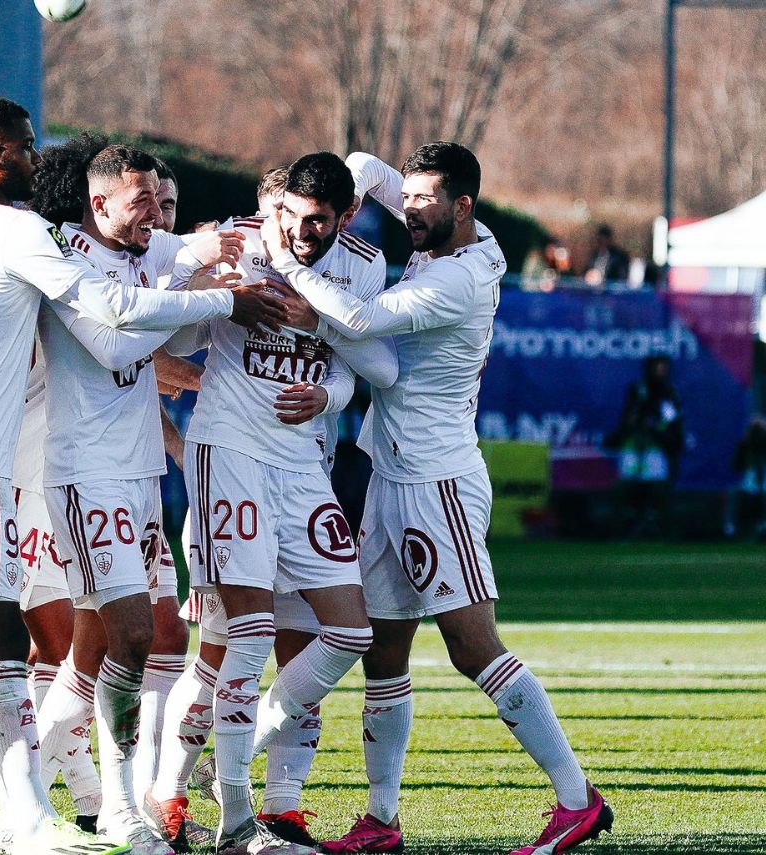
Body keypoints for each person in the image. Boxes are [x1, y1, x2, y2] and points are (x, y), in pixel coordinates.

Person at [0, 94, 281, 855]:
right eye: (145, 200)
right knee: (36, 641)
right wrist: (208, 288)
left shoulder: (2, 233)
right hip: (54, 470)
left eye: (165, 201)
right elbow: (117, 341)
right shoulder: (51, 246)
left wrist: (197, 277)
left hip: (103, 473)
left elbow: (173, 331)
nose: (158, 212)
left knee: (60, 652)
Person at [261, 142, 611, 855]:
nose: (409, 210)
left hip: (437, 483)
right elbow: (364, 162)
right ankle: (382, 819)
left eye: (425, 201)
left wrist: (290, 264)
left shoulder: (458, 280)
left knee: (471, 646)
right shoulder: (454, 231)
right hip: (390, 477)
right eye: (407, 197)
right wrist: (353, 190)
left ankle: (578, 798)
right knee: (384, 650)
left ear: (463, 207)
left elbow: (356, 325)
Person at [165, 152, 401, 855]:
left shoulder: (364, 265)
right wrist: (209, 283)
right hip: (229, 452)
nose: (299, 230)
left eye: (317, 220)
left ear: (347, 216)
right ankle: (202, 806)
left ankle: (247, 776)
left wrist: (323, 387)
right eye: (290, 216)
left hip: (303, 464)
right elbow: (169, 330)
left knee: (347, 631)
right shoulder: (237, 239)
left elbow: (359, 375)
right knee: (236, 640)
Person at [606, 355, 684, 537]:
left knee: (658, 487)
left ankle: (659, 527)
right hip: (634, 445)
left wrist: (665, 435)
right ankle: (623, 527)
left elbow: (673, 420)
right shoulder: (639, 389)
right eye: (659, 366)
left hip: (656, 447)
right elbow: (628, 416)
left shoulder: (668, 392)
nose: (662, 370)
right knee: (626, 486)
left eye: (664, 367)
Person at [726, 418, 766, 539]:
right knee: (734, 495)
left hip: (763, 482)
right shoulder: (745, 446)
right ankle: (730, 528)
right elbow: (736, 465)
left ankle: (762, 526)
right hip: (749, 483)